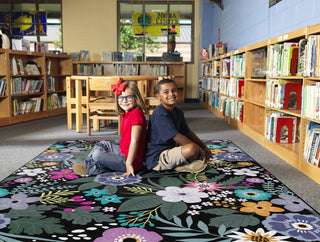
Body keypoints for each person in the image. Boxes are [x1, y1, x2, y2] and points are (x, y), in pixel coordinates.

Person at [73, 79, 147, 177]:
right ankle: (95, 164)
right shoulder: (126, 114)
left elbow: (135, 141)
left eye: (128, 97)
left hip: (130, 160)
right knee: (103, 143)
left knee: (97, 155)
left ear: (136, 98)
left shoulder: (136, 113)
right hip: (122, 151)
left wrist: (129, 164)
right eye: (120, 98)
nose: (124, 101)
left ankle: (93, 167)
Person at [144, 78, 212, 172]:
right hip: (157, 157)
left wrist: (203, 146)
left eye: (174, 90)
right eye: (166, 92)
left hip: (171, 149)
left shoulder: (178, 112)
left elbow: (187, 132)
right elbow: (177, 137)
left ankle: (184, 161)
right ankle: (181, 165)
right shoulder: (160, 114)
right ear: (158, 96)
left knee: (193, 148)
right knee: (192, 148)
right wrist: (198, 150)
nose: (171, 94)